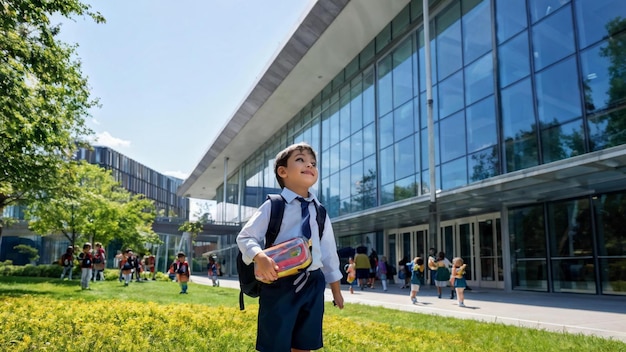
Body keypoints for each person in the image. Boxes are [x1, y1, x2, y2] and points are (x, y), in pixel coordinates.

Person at [236, 142, 344, 352]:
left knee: (305, 343)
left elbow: (329, 253)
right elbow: (245, 237)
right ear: (283, 171)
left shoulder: (320, 211)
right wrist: (259, 257)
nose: (309, 165)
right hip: (279, 283)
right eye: (301, 160)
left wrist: (336, 290)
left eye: (313, 163)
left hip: (313, 283)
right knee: (275, 342)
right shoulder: (274, 205)